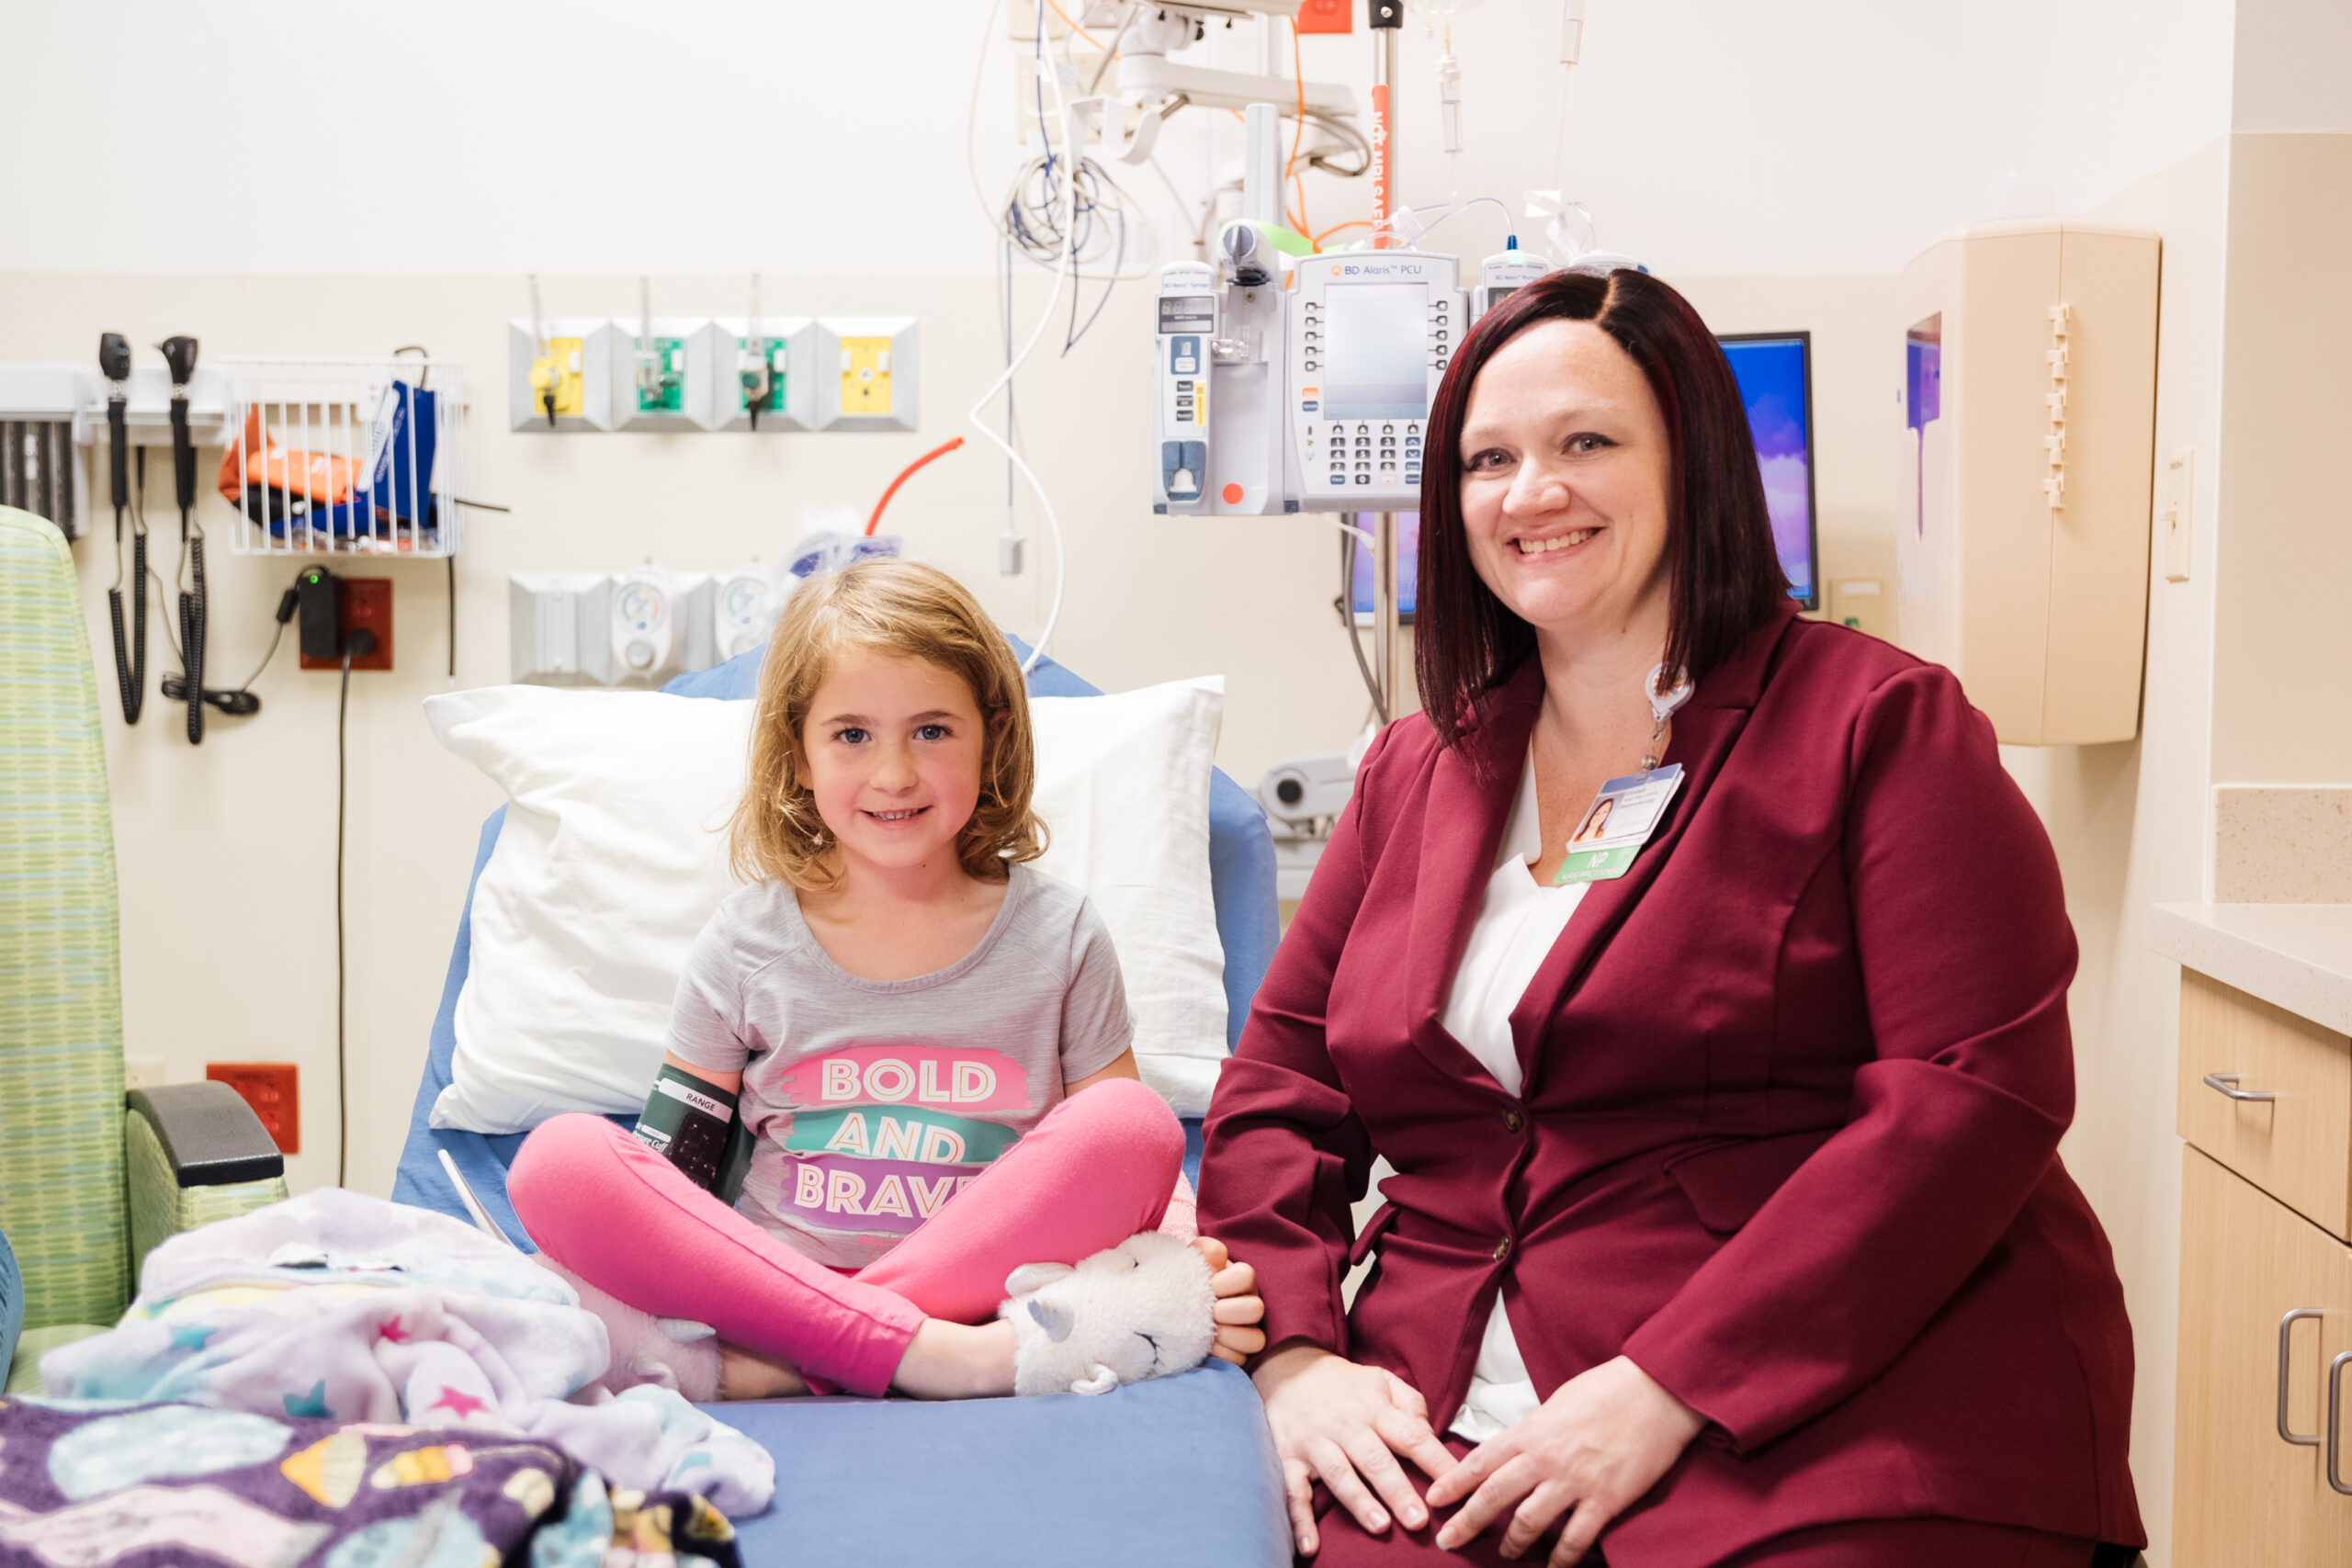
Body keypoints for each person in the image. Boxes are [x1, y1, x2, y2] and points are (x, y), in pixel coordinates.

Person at [1197, 269, 2143, 1567]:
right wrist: (1298, 1357)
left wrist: (1667, 1384)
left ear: (1693, 462)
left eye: (1586, 442)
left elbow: (1973, 1096)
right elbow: (1279, 1092)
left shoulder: (1877, 726)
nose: (1532, 492)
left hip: (1829, 1409)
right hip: (1445, 1417)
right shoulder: (1416, 770)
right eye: (1489, 459)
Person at [512, 560, 1265, 1402]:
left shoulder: (1061, 936)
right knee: (559, 1163)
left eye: (932, 730)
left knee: (1136, 1121)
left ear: (993, 738)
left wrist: (1183, 1259)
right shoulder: (745, 943)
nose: (895, 772)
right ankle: (920, 1356)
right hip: (775, 1284)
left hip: (957, 1298)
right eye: (852, 734)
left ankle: (812, 1359)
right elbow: (672, 1171)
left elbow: (1124, 1158)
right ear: (797, 753)